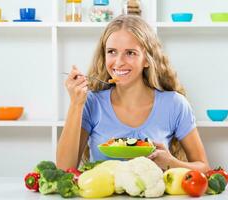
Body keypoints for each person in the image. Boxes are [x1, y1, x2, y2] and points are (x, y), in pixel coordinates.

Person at [56, 15, 210, 173]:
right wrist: (76, 104)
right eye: (112, 52)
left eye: (130, 53)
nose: (119, 62)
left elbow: (204, 167)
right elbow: (63, 169)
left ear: (147, 60)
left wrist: (171, 162)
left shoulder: (175, 104)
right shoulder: (91, 102)